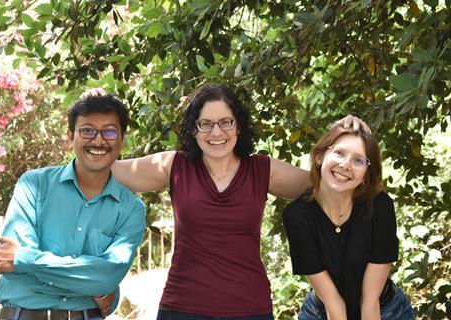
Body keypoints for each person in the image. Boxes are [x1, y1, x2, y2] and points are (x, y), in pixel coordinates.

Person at [108, 83, 368, 319]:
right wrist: (94, 132)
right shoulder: (174, 166)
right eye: (205, 124)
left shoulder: (262, 170)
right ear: (194, 129)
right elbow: (107, 170)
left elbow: (329, 185)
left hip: (250, 309)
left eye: (226, 122)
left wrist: (344, 134)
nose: (216, 132)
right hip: (183, 307)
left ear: (238, 126)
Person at [0, 94, 146, 320]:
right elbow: (13, 272)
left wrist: (25, 259)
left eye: (110, 132)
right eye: (87, 131)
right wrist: (93, 282)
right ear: (70, 136)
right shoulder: (34, 185)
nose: (99, 141)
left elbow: (107, 276)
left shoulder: (131, 209)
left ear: (122, 139)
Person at [282, 125, 414, 319]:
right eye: (339, 153)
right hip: (322, 311)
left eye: (358, 160)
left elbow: (370, 301)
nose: (345, 165)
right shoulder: (297, 216)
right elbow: (334, 303)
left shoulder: (380, 207)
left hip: (385, 310)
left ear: (366, 176)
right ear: (320, 157)